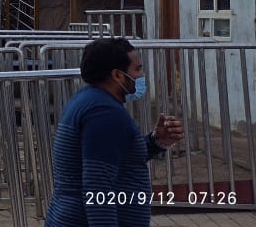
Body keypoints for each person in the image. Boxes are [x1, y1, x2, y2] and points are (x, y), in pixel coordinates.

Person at [45, 38, 185, 227]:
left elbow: (115, 156)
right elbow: (97, 187)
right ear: (117, 75)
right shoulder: (104, 113)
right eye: (137, 69)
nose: (142, 75)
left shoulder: (90, 101)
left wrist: (156, 141)